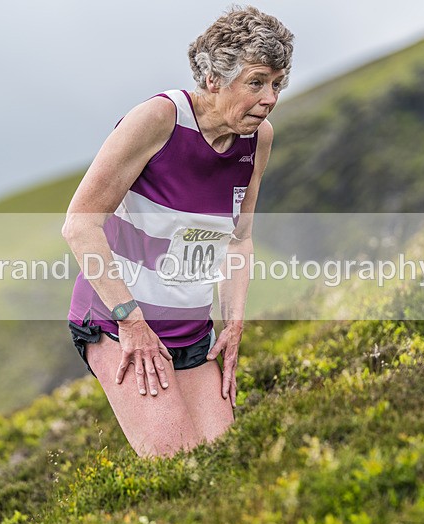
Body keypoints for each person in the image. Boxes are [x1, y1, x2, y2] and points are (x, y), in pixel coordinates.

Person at [61, 6, 294, 457]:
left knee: (226, 465)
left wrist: (234, 321)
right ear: (213, 78)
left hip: (193, 330)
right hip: (119, 322)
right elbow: (80, 225)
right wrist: (132, 323)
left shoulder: (258, 138)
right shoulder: (158, 119)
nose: (269, 99)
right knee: (180, 470)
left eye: (277, 84)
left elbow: (239, 238)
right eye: (256, 82)